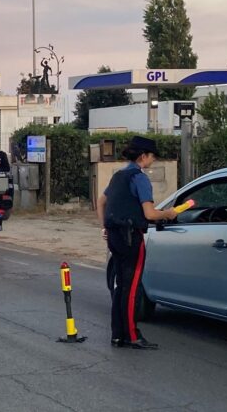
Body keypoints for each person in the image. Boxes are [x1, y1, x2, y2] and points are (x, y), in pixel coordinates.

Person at [97, 136, 178, 350]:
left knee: (120, 286)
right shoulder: (140, 178)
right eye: (152, 156)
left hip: (114, 236)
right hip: (131, 237)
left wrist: (104, 227)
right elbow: (150, 213)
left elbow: (101, 201)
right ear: (143, 156)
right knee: (132, 288)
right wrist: (167, 214)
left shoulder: (118, 176)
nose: (153, 160)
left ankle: (117, 335)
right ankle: (132, 335)